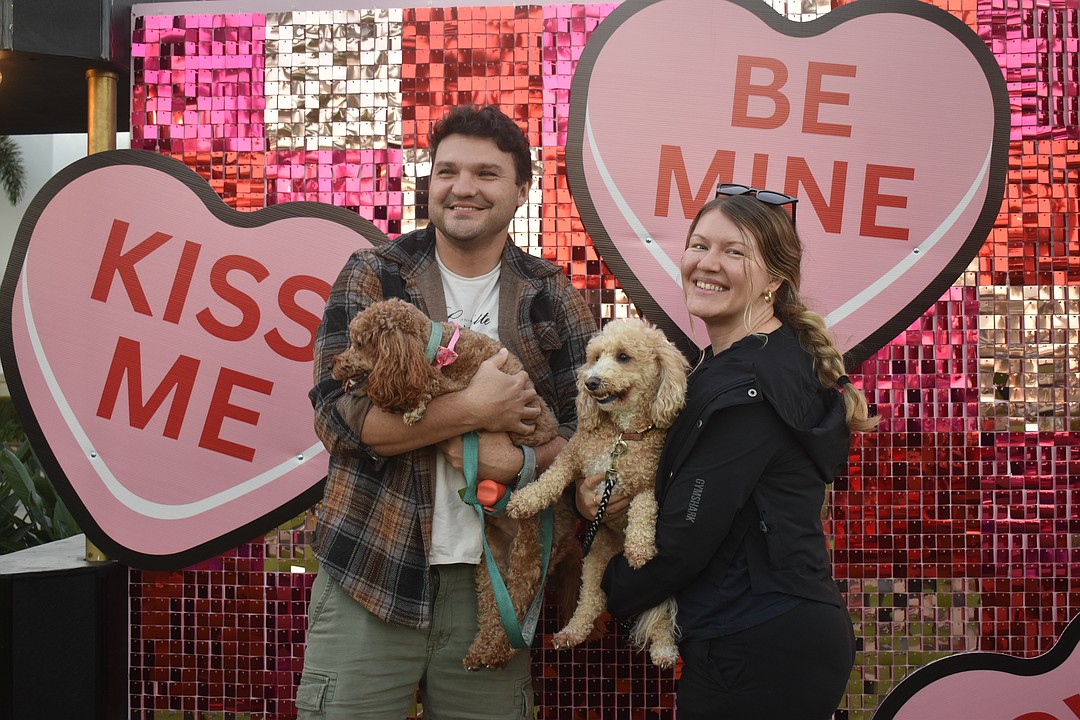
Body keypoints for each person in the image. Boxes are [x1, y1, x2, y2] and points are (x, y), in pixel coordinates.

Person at [297, 104, 597, 720]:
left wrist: (519, 460)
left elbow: (589, 428)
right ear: (428, 184)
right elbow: (341, 421)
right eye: (447, 171)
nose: (463, 188)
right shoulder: (376, 276)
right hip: (372, 567)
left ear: (520, 189)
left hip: (493, 581)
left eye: (487, 174)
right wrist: (472, 409)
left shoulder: (549, 293)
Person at [580, 185, 878, 719]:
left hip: (757, 644)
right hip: (770, 632)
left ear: (776, 280)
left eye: (734, 252)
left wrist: (601, 585)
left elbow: (684, 538)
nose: (707, 264)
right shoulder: (756, 363)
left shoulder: (746, 388)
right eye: (699, 245)